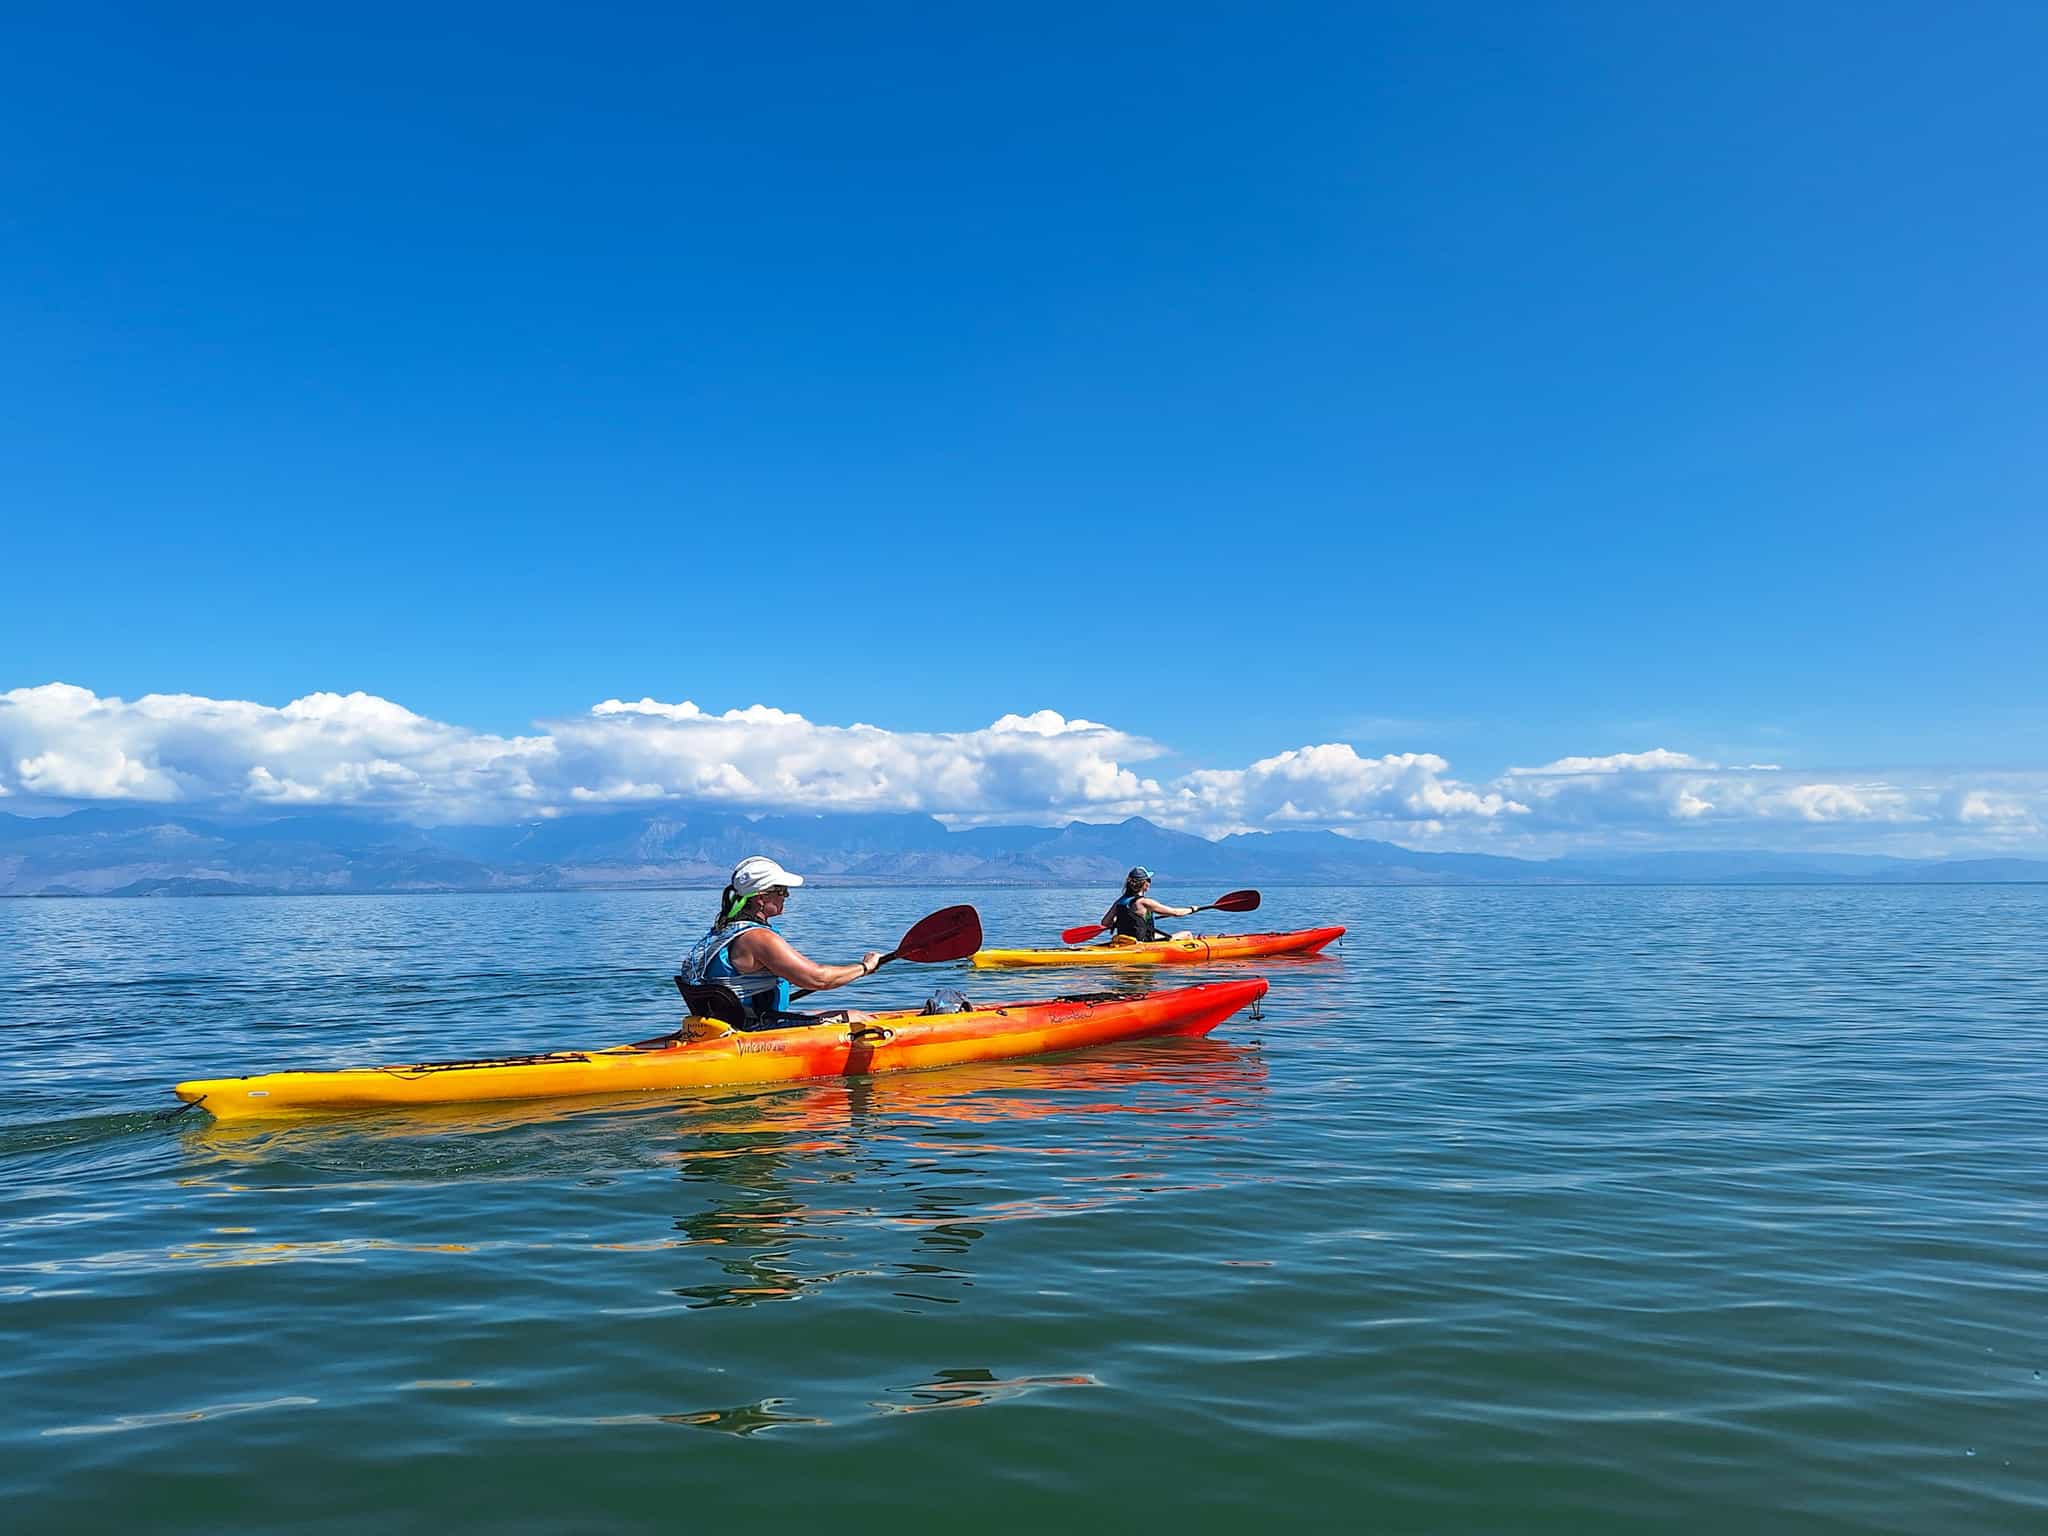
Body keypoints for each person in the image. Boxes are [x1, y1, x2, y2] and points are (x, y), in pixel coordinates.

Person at [678, 856, 881, 1029]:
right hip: (754, 1034)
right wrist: (864, 967)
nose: (787, 896)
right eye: (781, 891)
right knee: (857, 1019)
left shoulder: (720, 932)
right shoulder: (758, 938)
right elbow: (819, 979)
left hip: (716, 1029)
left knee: (823, 1013)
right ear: (760, 898)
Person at [1102, 866, 1196, 943]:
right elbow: (1175, 913)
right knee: (1187, 934)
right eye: (1149, 880)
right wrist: (1192, 909)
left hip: (1123, 941)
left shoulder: (1119, 901)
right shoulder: (1145, 902)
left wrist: (1119, 922)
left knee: (1160, 935)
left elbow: (1105, 923)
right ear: (1145, 884)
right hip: (1142, 942)